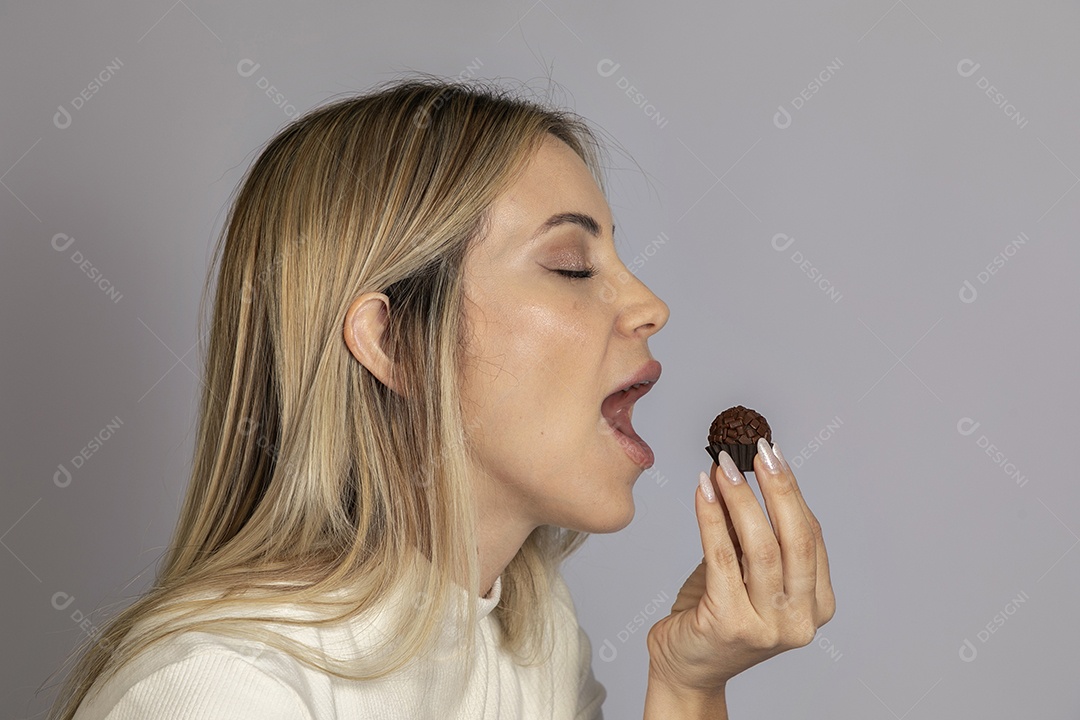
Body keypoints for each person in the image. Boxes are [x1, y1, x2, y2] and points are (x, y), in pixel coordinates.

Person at [46, 76, 834, 720]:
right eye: (570, 265)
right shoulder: (221, 695)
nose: (650, 305)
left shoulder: (536, 642)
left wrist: (689, 687)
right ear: (394, 345)